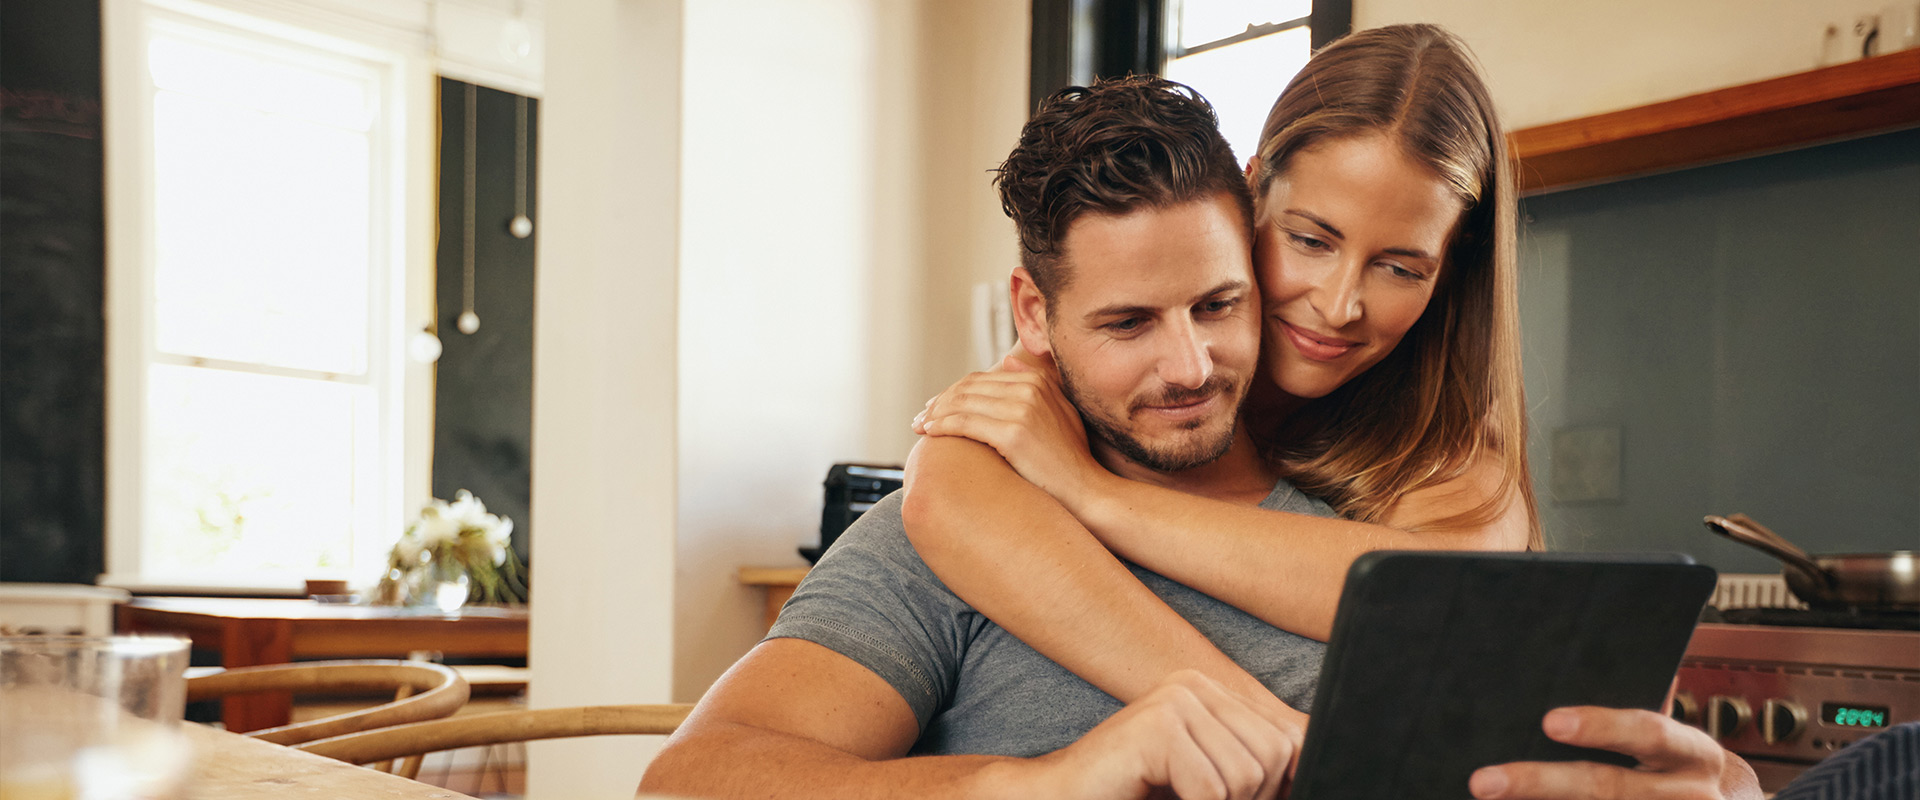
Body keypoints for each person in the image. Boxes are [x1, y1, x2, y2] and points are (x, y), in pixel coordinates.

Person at [903, 24, 1761, 800]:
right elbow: (948, 486)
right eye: (1310, 239)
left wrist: (1088, 495)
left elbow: (1432, 603)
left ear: (1449, 273)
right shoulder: (1102, 363)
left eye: (1401, 266)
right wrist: (1274, 738)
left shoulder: (1452, 457)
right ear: (1249, 200)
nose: (1339, 304)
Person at [644, 72, 1348, 800]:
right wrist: (1058, 779)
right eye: (1128, 323)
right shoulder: (947, 536)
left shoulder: (1363, 515)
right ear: (1035, 313)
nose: (1190, 366)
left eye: (1217, 305)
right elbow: (683, 786)